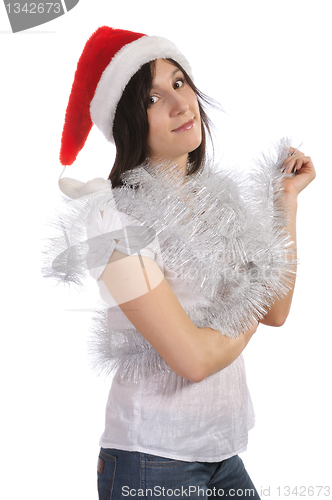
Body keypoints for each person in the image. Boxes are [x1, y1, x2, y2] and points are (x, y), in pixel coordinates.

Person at [47, 27, 316, 499]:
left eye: (179, 82)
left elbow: (276, 311)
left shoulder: (215, 200)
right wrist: (254, 293)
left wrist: (284, 203)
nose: (179, 104)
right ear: (127, 121)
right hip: (152, 461)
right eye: (151, 99)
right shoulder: (115, 218)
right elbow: (192, 359)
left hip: (221, 453)